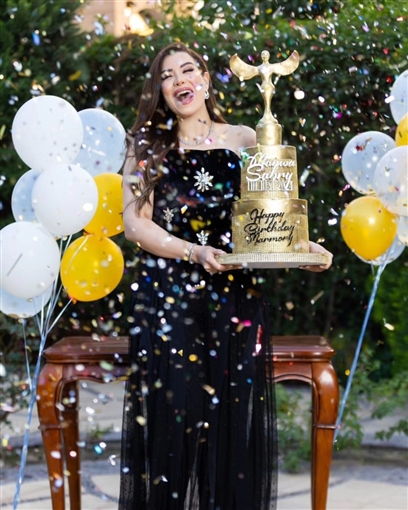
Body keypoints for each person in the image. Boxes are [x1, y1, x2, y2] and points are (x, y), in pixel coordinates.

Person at [119, 42, 333, 510]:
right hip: (169, 299)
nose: (179, 80)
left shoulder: (244, 138)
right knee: (173, 425)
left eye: (188, 70)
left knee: (232, 428)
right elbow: (135, 224)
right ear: (159, 91)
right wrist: (193, 252)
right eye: (167, 75)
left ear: (206, 80)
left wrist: (302, 248)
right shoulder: (145, 146)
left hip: (233, 301)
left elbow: (268, 216)